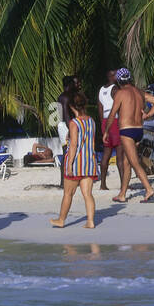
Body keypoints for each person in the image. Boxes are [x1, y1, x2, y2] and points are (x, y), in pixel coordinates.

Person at [110, 68, 154, 203]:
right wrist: (148, 115)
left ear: (119, 80)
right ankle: (122, 194)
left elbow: (112, 114)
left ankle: (148, 189)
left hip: (127, 131)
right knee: (127, 163)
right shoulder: (139, 92)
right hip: (139, 130)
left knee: (134, 163)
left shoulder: (121, 93)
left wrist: (105, 132)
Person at [51, 92, 97, 229]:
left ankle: (61, 220)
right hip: (89, 162)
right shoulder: (91, 121)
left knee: (68, 194)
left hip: (77, 163)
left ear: (72, 107)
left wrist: (69, 165)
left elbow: (73, 145)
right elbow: (92, 142)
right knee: (88, 194)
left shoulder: (74, 123)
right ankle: (90, 221)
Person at [98, 69, 118, 191]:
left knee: (106, 153)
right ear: (111, 76)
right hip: (114, 120)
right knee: (120, 154)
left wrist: (103, 125)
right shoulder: (115, 89)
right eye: (115, 74)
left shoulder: (101, 89)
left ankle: (103, 184)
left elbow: (100, 108)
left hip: (105, 121)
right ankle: (123, 184)